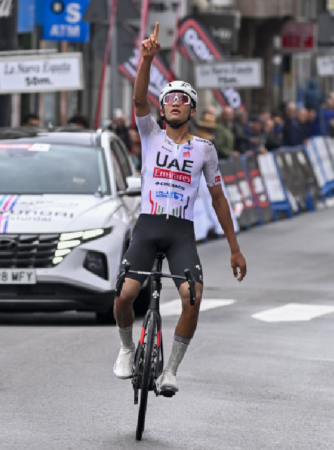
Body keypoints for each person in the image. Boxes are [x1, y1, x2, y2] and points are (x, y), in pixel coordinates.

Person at [113, 23, 247, 395]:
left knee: (193, 297)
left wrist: (235, 248)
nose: (173, 102)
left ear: (191, 109)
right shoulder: (150, 135)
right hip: (149, 225)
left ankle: (170, 370)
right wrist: (146, 59)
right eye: (168, 98)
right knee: (125, 295)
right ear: (162, 107)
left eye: (181, 99)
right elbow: (139, 99)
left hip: (180, 231)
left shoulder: (204, 149)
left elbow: (219, 197)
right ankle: (126, 350)